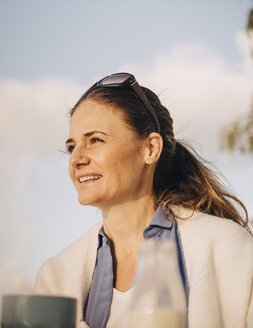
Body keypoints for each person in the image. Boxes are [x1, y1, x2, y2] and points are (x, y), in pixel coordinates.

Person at [34, 73, 253, 328]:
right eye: (71, 146)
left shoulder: (226, 246)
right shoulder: (54, 278)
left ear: (150, 149)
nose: (76, 159)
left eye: (95, 140)